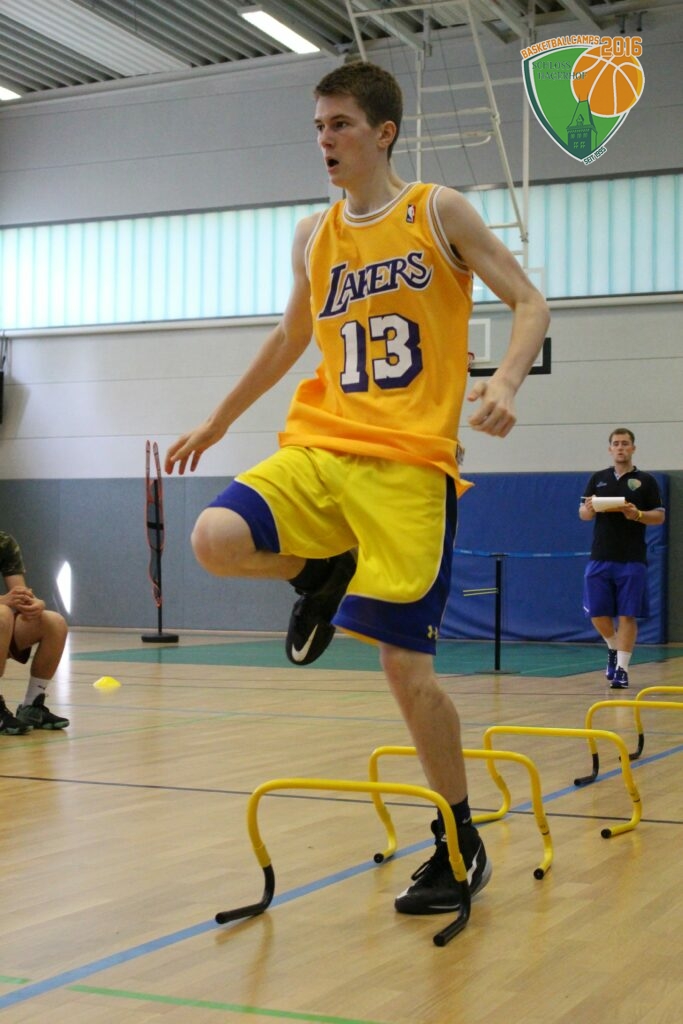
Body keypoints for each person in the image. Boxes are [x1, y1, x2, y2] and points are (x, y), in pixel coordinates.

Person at [165, 62, 550, 916]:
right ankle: (321, 570)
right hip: (325, 447)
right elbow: (286, 337)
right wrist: (219, 421)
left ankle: (458, 841)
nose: (324, 140)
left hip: (409, 466)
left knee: (405, 671)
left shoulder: (437, 212)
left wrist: (505, 382)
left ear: (382, 133)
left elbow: (529, 302)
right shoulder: (314, 234)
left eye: (338, 124)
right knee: (215, 538)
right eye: (317, 126)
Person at [579, 428, 665, 689]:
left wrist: (637, 514)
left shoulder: (646, 481)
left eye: (625, 443)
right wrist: (590, 508)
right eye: (616, 444)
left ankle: (622, 670)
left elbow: (659, 516)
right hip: (600, 555)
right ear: (610, 449)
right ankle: (613, 647)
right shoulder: (598, 478)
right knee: (597, 612)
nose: (620, 448)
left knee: (628, 614)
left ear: (633, 448)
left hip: (632, 558)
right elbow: (583, 514)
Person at [0, 531, 70, 734]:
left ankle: (32, 705)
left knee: (54, 622)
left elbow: (20, 595)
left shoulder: (4, 543)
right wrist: (3, 601)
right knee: (2, 614)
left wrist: (34, 604)